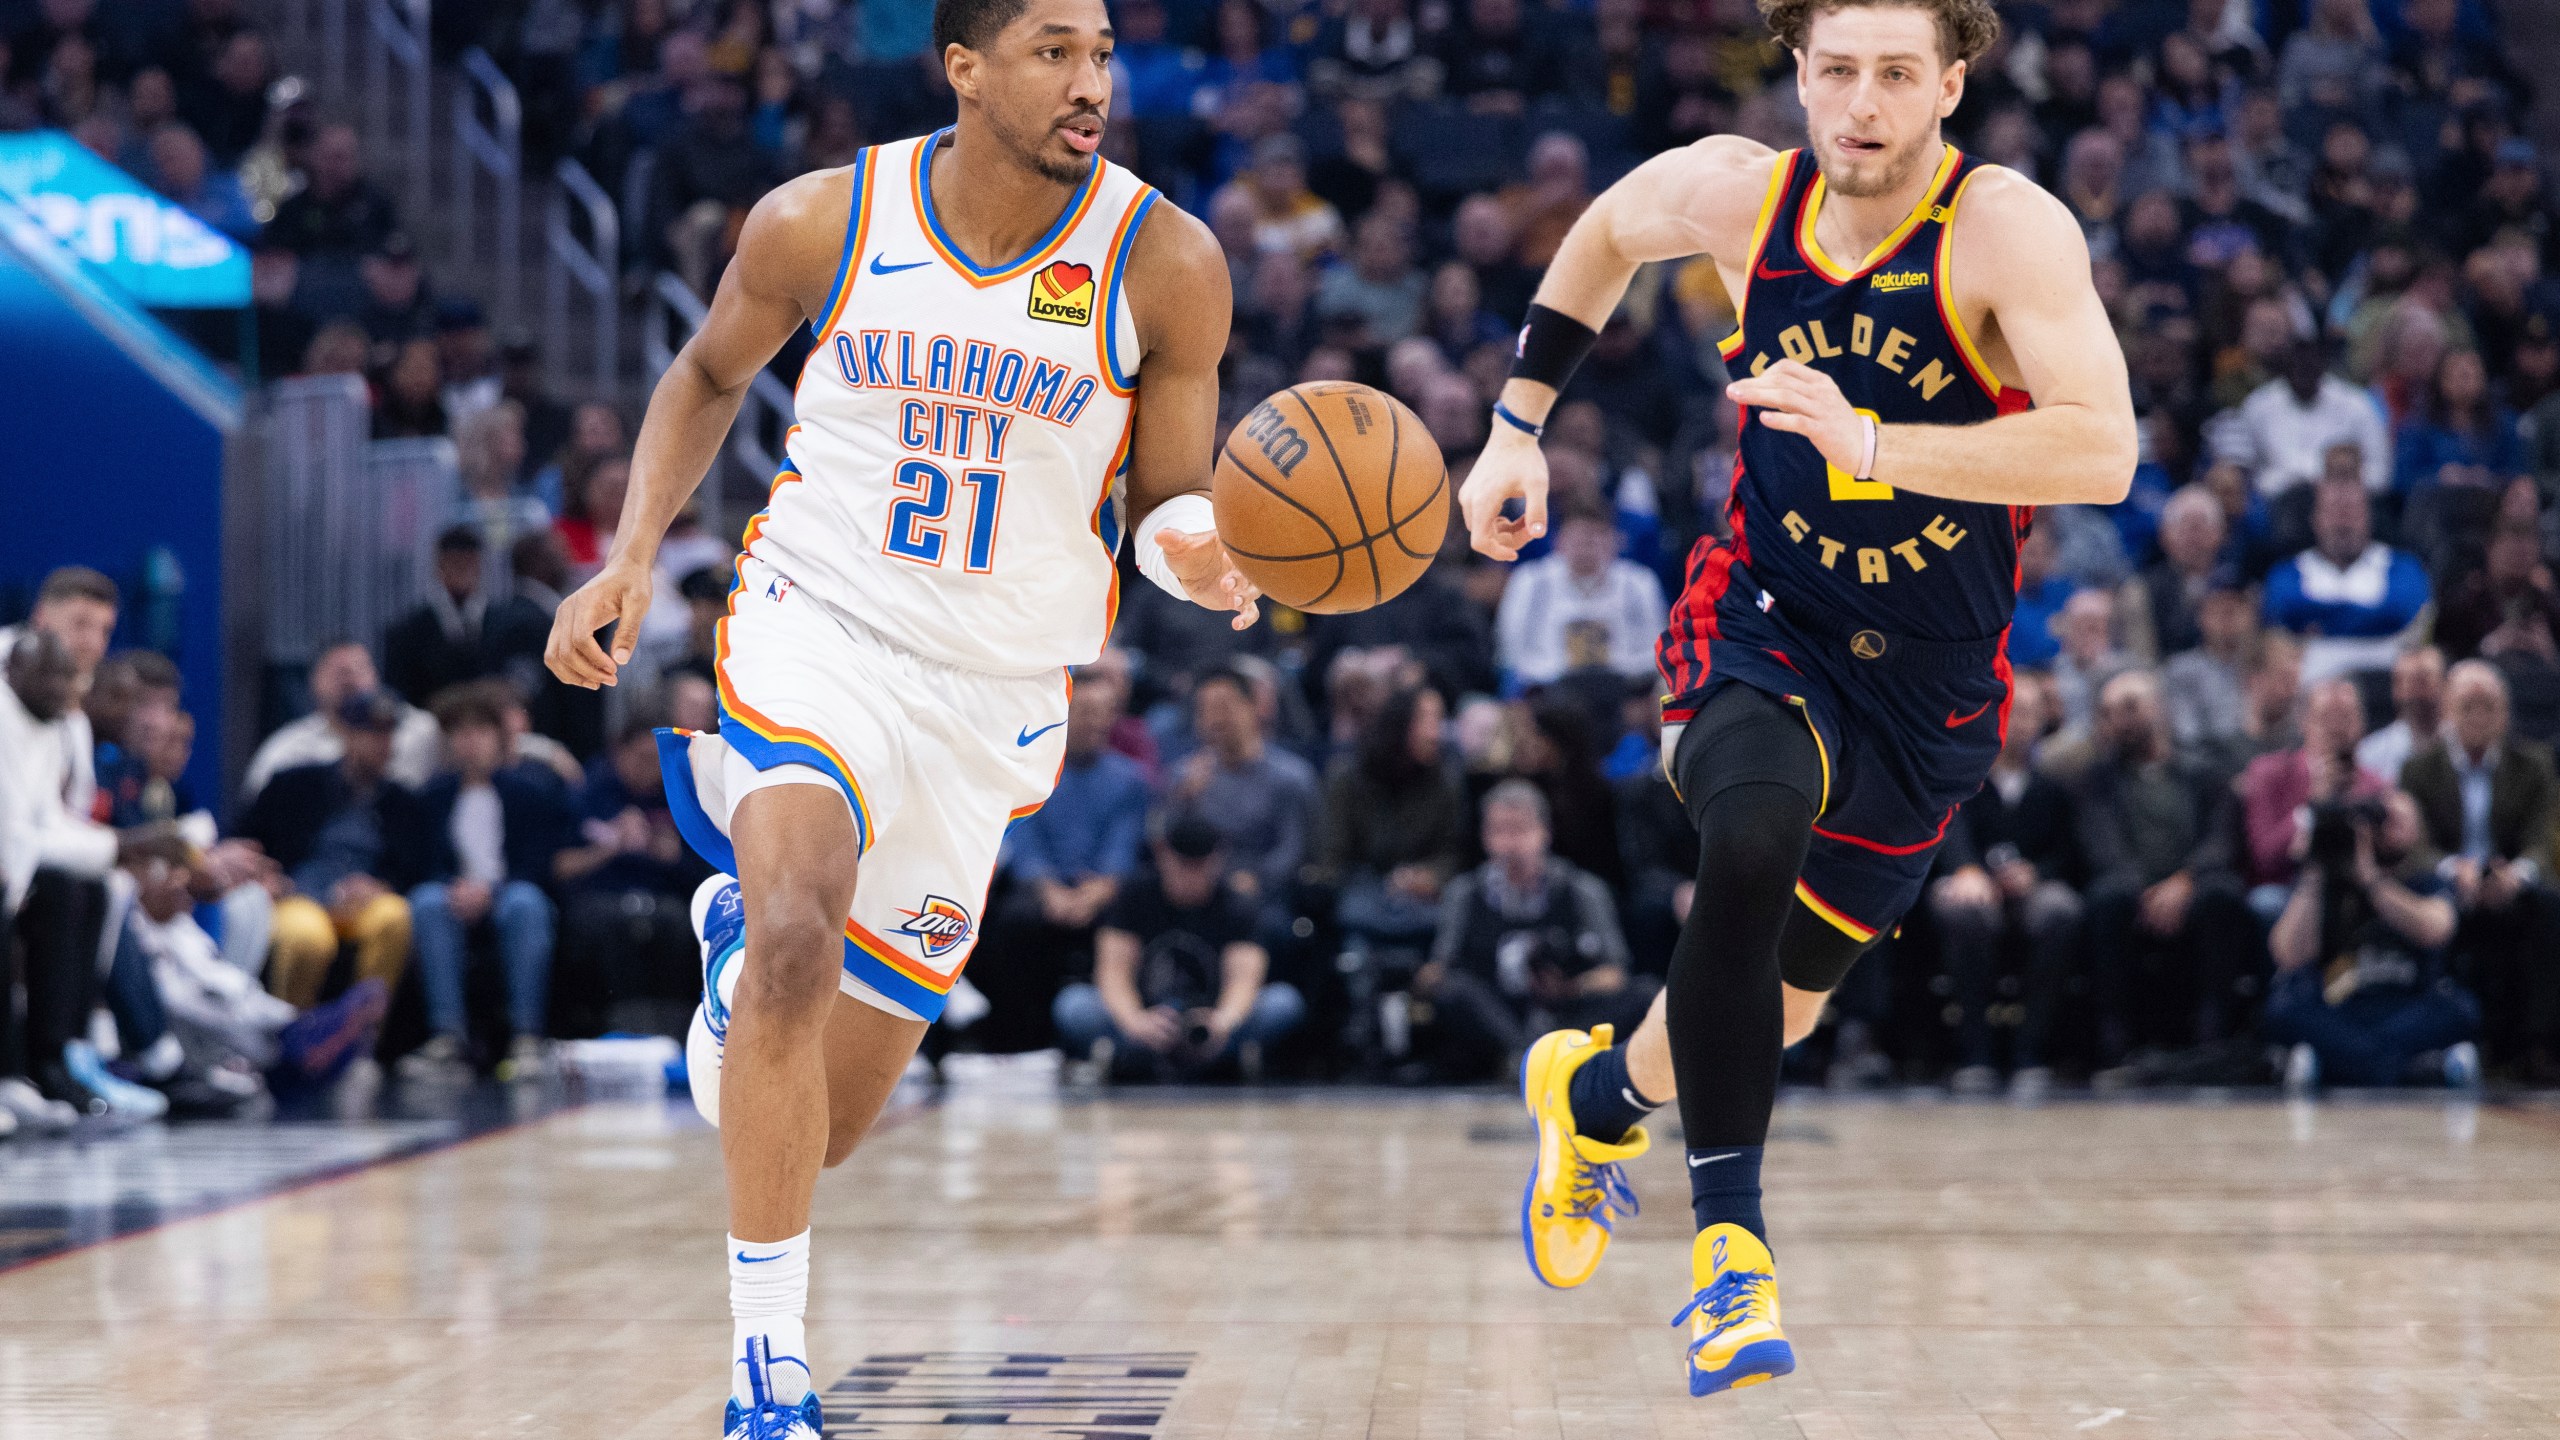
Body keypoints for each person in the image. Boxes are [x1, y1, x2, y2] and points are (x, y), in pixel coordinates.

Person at [538, 1, 1259, 1432]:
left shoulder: (1166, 261)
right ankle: (768, 1368)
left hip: (994, 693)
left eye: (1102, 52)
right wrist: (625, 559)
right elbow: (702, 375)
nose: (1092, 83)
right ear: (966, 67)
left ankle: (733, 959)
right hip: (825, 629)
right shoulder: (824, 219)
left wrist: (1211, 550)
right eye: (1055, 50)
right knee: (805, 932)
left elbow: (1166, 497)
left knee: (835, 1123)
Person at [1455, 0, 2136, 1391]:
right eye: (1838, 72)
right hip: (1762, 617)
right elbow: (1598, 236)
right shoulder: (1736, 195)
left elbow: (2102, 452)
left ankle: (1592, 1098)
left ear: (1951, 84)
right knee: (1749, 840)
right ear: (1801, 77)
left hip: (1934, 689)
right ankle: (1731, 1258)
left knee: (1784, 1008)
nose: (1864, 102)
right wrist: (1515, 428)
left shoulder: (2007, 231)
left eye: (1897, 73)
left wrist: (1877, 443)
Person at [1417, 781, 1651, 1081]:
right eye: (1499, 831)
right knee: (1454, 993)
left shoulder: (1582, 890)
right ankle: (1524, 1057)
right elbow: (1441, 971)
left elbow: (1614, 974)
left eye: (1520, 830)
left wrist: (1570, 987)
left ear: (1545, 832)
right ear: (1484, 837)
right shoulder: (1464, 893)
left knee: (1645, 994)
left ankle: (1546, 1057)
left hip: (1567, 1013)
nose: (1510, 844)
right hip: (1495, 1011)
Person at [400, 686, 575, 1082]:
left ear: (500, 739)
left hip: (511, 890)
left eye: (480, 731)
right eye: (461, 733)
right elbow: (422, 863)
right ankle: (448, 1039)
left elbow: (538, 864)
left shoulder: (529, 792)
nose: (470, 742)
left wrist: (490, 892)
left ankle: (526, 1037)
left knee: (525, 904)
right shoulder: (434, 796)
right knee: (426, 903)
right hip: (453, 892)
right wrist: (454, 886)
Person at [2396, 661, 2560, 1079]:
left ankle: (2536, 1047)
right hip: (2449, 883)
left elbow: (2541, 842)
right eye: (2468, 705)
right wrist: (2456, 870)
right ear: (2448, 709)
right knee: (2425, 899)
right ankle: (2443, 1038)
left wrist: (2517, 874)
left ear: (2505, 713)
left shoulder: (2534, 765)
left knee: (2545, 906)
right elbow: (2417, 846)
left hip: (2509, 882)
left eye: (2488, 706)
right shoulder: (2418, 769)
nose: (2479, 716)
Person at [1051, 816, 1305, 1081]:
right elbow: (1113, 971)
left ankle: (1203, 1054)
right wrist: (1135, 1020)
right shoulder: (1133, 895)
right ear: (1163, 855)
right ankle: (1145, 1053)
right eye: (1183, 866)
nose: (1192, 877)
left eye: (1201, 867)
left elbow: (1244, 978)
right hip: (1143, 1017)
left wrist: (1222, 1021)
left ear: (1218, 859)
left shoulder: (1236, 904)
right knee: (1074, 1005)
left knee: (1283, 1003)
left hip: (1211, 1021)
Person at [1923, 676, 2082, 1095]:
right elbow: (1946, 835)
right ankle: (1976, 1054)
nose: (2020, 721)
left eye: (2029, 712)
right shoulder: (1960, 781)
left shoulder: (2054, 789)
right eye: (2012, 710)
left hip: (2032, 893)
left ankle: (2031, 1053)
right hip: (1975, 890)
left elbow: (2069, 852)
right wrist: (1968, 870)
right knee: (1964, 911)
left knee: (2059, 911)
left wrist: (2037, 874)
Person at [2264, 791, 2479, 1089]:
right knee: (2282, 1008)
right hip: (2341, 1006)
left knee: (2461, 1009)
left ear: (2418, 830)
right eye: (2378, 818)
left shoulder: (2426, 880)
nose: (2383, 827)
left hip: (2406, 1006)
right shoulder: (2327, 883)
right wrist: (2315, 870)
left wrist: (2371, 879)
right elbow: (2286, 954)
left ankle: (2331, 1068)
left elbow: (2435, 930)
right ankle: (2422, 1071)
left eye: (2396, 819)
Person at [239, 691, 423, 1014]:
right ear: (346, 733)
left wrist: (382, 885)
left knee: (394, 916)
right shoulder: (293, 784)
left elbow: (415, 869)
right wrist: (265, 875)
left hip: (363, 903)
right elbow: (245, 839)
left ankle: (359, 1044)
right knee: (306, 936)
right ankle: (289, 1038)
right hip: (300, 895)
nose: (384, 743)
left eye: (390, 732)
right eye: (372, 731)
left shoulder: (403, 802)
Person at [2261, 471, 2431, 685]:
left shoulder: (2403, 566)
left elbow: (2402, 610)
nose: (2343, 522)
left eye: (2351, 511)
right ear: (2316, 519)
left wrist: (2317, 622)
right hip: (2310, 687)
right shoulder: (2287, 572)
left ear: (2369, 516)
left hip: (2386, 686)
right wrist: (2376, 619)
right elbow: (2281, 609)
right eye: (2334, 511)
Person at [1492, 498, 1669, 687]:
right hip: (1546, 688)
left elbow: (1656, 649)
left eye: (1596, 536)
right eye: (1578, 537)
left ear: (1616, 541)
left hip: (1624, 686)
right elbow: (1510, 651)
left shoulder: (1639, 582)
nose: (1586, 545)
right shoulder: (1530, 580)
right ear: (1558, 541)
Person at [242, 638, 442, 798]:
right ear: (313, 683)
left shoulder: (423, 730)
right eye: (339, 672)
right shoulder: (287, 751)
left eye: (359, 669)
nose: (351, 680)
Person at [2355, 645, 2445, 784]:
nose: (2414, 694)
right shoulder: (2370, 755)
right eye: (2405, 683)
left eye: (2422, 681)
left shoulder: (2464, 744)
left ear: (2444, 684)